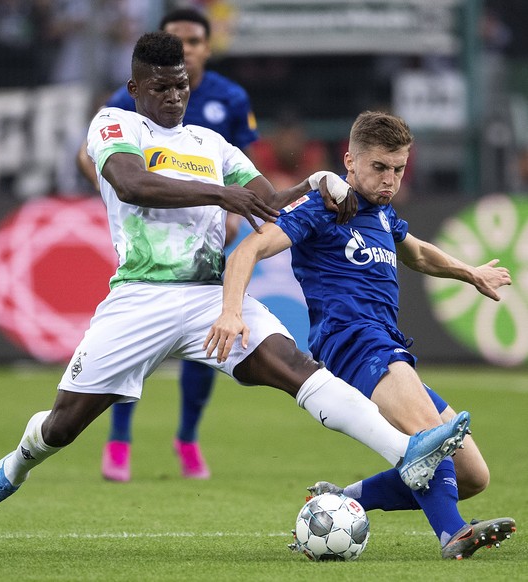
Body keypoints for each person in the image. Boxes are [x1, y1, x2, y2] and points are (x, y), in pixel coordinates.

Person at [0, 33, 471, 524]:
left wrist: (313, 184)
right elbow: (131, 183)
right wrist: (220, 195)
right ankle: (16, 465)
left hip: (208, 293)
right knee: (63, 425)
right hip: (141, 297)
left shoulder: (213, 144)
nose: (175, 95)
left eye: (181, 84)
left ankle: (406, 452)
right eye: (161, 86)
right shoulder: (115, 125)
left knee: (296, 366)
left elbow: (268, 205)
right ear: (136, 88)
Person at [204, 110, 515, 560]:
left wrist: (471, 272)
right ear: (349, 161)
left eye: (398, 169)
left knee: (471, 475)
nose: (390, 180)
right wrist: (231, 312)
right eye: (379, 168)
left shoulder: (383, 213)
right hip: (353, 342)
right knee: (430, 438)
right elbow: (249, 248)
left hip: (385, 345)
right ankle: (452, 534)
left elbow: (420, 255)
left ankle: (344, 497)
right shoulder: (321, 208)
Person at [76, 8, 260, 482]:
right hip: (151, 235)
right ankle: (119, 440)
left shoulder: (230, 100)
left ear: (205, 48)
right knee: (130, 345)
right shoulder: (127, 100)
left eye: (195, 41)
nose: (188, 49)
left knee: (210, 340)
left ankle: (188, 438)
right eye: (178, 40)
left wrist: (236, 212)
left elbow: (245, 170)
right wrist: (113, 197)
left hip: (208, 236)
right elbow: (93, 155)